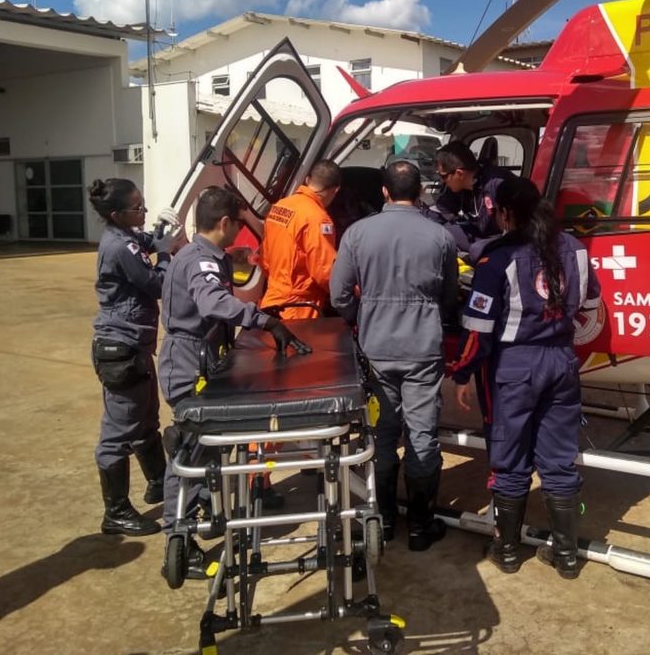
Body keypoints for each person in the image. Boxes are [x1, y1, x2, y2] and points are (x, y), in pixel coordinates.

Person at [449, 178, 601, 578]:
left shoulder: (497, 258)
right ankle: (567, 556)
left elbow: (478, 329)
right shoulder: (578, 250)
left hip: (514, 367)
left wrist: (462, 372)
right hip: (562, 362)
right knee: (558, 459)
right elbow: (591, 302)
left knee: (509, 459)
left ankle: (508, 552)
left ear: (504, 212)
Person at [159, 186, 303, 575]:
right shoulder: (200, 261)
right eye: (237, 225)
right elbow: (212, 303)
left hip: (201, 358)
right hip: (188, 364)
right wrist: (265, 319)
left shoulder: (206, 256)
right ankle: (178, 536)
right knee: (189, 452)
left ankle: (201, 513)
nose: (239, 232)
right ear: (225, 223)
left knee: (207, 450)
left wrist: (232, 260)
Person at [330, 161, 458, 551]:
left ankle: (383, 521)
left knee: (382, 435)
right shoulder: (440, 237)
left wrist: (362, 317)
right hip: (422, 349)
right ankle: (420, 526)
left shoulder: (356, 233)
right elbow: (450, 298)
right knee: (422, 435)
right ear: (419, 192)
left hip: (376, 349)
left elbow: (338, 294)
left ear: (384, 192)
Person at [88, 178, 181, 537]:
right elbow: (156, 282)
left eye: (143, 205)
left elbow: (144, 243)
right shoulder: (118, 247)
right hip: (120, 348)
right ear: (116, 214)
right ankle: (116, 511)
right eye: (137, 208)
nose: (142, 212)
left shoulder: (126, 237)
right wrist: (168, 253)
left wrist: (157, 231)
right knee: (118, 432)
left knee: (145, 420)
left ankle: (158, 480)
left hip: (136, 346)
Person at [259, 159, 342, 320]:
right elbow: (324, 272)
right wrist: (352, 292)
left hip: (271, 302)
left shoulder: (280, 207)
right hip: (299, 309)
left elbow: (265, 258)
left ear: (307, 180)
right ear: (335, 190)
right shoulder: (318, 219)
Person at [431, 140, 514, 255]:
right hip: (478, 234)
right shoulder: (458, 190)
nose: (442, 180)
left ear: (459, 173)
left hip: (504, 242)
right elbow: (443, 209)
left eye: (443, 176)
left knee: (476, 248)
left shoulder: (497, 184)